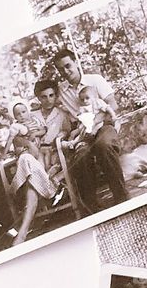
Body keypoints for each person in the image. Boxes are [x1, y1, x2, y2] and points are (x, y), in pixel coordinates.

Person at [51, 48, 129, 212]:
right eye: (61, 69)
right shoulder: (61, 91)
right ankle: (92, 207)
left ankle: (121, 197)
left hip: (104, 125)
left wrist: (94, 123)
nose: (65, 71)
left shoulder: (94, 80)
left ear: (75, 62)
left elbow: (113, 104)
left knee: (103, 145)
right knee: (81, 155)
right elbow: (48, 103)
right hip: (83, 133)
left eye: (68, 66)